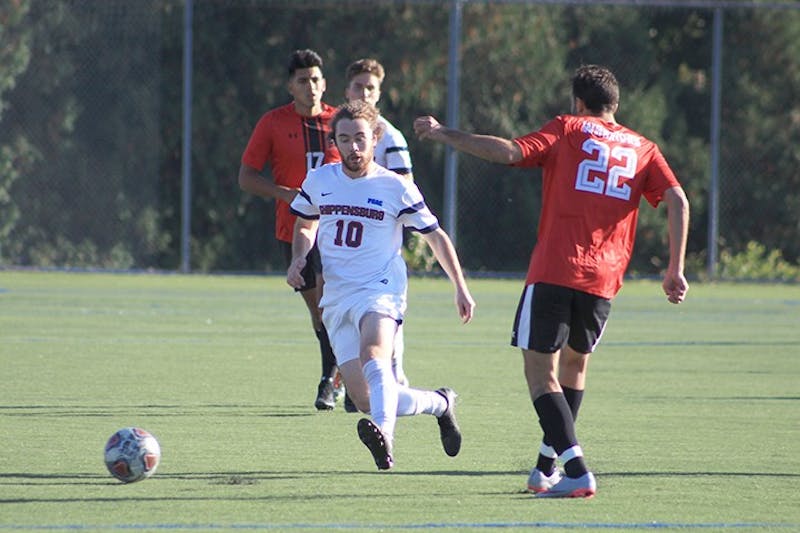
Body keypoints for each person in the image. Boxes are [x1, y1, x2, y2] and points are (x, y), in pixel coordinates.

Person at [414, 64, 689, 497]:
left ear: (578, 102)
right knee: (575, 367)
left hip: (557, 269)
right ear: (614, 104)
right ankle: (546, 467)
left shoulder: (568, 127)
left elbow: (509, 151)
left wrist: (446, 133)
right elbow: (677, 198)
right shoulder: (644, 147)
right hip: (605, 277)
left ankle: (577, 469)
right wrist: (675, 267)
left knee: (541, 372)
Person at [288, 100, 475, 470]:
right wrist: (299, 257)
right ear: (335, 143)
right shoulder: (320, 180)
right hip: (337, 296)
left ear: (375, 138)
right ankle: (440, 403)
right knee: (364, 399)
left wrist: (460, 286)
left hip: (381, 287)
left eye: (360, 138)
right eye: (344, 139)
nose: (353, 148)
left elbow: (435, 237)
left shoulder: (395, 187)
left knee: (375, 355)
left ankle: (384, 436)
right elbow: (305, 224)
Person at [239, 49, 342, 411]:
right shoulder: (272, 123)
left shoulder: (340, 122)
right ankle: (340, 373)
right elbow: (246, 177)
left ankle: (329, 381)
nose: (311, 86)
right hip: (293, 230)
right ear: (290, 86)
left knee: (335, 307)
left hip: (337, 229)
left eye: (316, 79)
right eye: (303, 80)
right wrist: (283, 193)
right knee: (319, 312)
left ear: (325, 83)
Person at [343, 58, 414, 401]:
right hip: (344, 244)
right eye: (359, 86)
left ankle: (396, 369)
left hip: (379, 244)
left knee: (384, 309)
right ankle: (345, 379)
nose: (365, 92)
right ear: (347, 90)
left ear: (380, 93)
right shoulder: (342, 129)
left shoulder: (391, 137)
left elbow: (406, 188)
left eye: (371, 87)